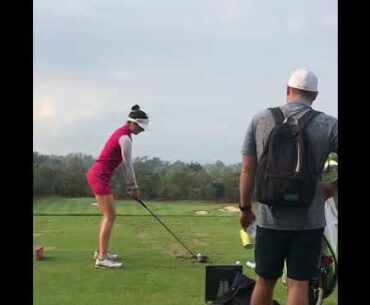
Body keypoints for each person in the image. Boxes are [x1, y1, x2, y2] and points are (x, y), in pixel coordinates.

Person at [239, 68, 338, 305]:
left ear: (287, 91)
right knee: (298, 283)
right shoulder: (328, 124)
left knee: (265, 281)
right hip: (309, 219)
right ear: (314, 96)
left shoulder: (260, 119)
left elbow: (247, 169)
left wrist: (244, 208)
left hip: (269, 219)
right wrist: (331, 187)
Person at [87, 104, 149, 269]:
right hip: (99, 176)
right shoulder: (125, 139)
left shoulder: (122, 133)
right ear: (132, 123)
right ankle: (101, 259)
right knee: (110, 216)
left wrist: (131, 187)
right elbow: (128, 166)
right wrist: (134, 188)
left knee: (107, 215)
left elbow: (123, 165)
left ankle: (101, 251)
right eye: (140, 127)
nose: (142, 130)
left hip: (99, 175)